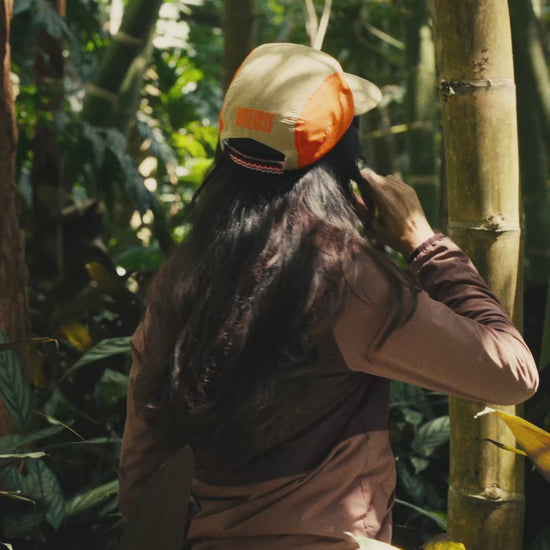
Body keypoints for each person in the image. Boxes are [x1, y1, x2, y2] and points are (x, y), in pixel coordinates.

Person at [118, 43, 539, 549]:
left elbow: (141, 463)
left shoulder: (183, 275)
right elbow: (512, 374)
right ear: (344, 160)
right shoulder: (344, 281)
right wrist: (424, 243)